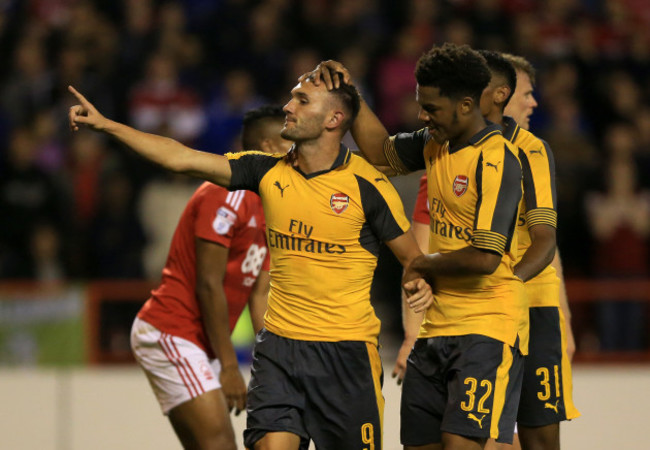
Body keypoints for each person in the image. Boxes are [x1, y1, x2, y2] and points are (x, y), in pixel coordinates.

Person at [68, 75, 433, 450]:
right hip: (279, 351)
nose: (288, 108)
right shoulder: (266, 171)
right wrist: (106, 124)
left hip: (346, 355)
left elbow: (413, 260)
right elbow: (179, 157)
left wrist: (417, 285)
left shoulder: (367, 185)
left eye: (302, 101)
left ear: (334, 119)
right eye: (292, 99)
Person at [309, 42, 527, 448]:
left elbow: (485, 257)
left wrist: (421, 264)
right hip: (435, 326)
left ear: (465, 106)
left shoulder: (498, 161)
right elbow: (379, 151)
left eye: (432, 108)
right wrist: (350, 93)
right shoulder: (434, 142)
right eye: (420, 105)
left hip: (487, 326)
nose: (423, 116)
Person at [129, 105, 290, 449]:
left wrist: (279, 360)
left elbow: (259, 293)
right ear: (269, 147)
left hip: (196, 342)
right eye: (290, 143)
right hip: (170, 330)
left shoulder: (272, 202)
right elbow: (208, 283)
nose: (298, 151)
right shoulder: (225, 193)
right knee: (219, 442)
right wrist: (230, 368)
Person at [498, 52, 580, 450]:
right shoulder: (450, 153)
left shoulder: (534, 151)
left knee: (542, 436)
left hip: (537, 307)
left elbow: (547, 240)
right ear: (498, 94)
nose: (534, 103)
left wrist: (563, 314)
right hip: (483, 311)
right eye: (526, 94)